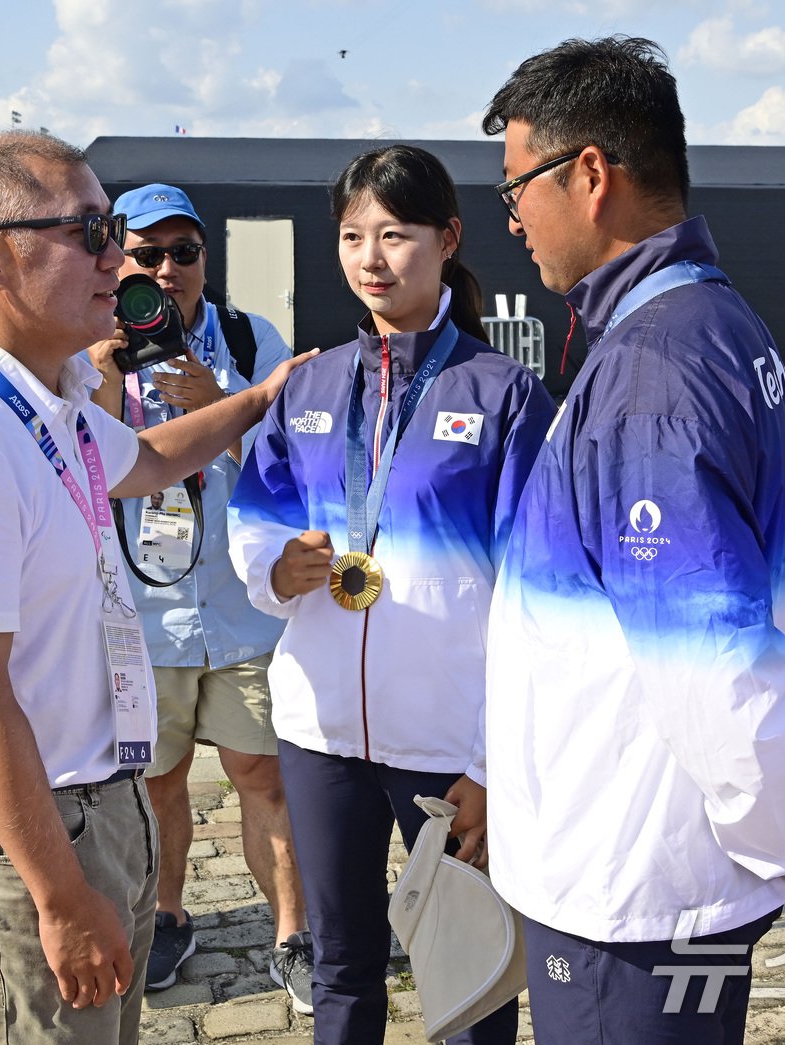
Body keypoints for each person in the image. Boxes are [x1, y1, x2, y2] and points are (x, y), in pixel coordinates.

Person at [0, 131, 309, 1044]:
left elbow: (143, 459)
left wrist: (257, 399)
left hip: (96, 808)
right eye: (93, 231)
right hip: (28, 847)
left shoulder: (46, 400)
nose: (124, 259)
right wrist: (60, 896)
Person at [478, 37, 785, 1043]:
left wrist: (780, 823)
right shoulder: (719, 325)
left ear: (589, 175)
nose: (508, 217)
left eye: (515, 185)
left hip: (629, 884)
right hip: (672, 864)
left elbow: (714, 655)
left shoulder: (649, 369)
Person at [227, 143, 556, 1045]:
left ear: (448, 239)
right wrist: (274, 564)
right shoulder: (311, 383)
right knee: (341, 962)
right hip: (321, 734)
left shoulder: (504, 395)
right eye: (353, 235)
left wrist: (491, 761)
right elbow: (254, 513)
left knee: (469, 964)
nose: (373, 257)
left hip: (451, 744)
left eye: (397, 234)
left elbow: (540, 593)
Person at [85, 183, 310, 1010]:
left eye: (185, 252)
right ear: (119, 258)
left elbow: (294, 466)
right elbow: (84, 470)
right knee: (158, 782)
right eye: (148, 254)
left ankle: (294, 934)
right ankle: (169, 917)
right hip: (144, 618)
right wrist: (107, 376)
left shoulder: (252, 337)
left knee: (266, 776)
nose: (168, 269)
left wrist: (220, 403)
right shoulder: (90, 344)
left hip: (243, 607)